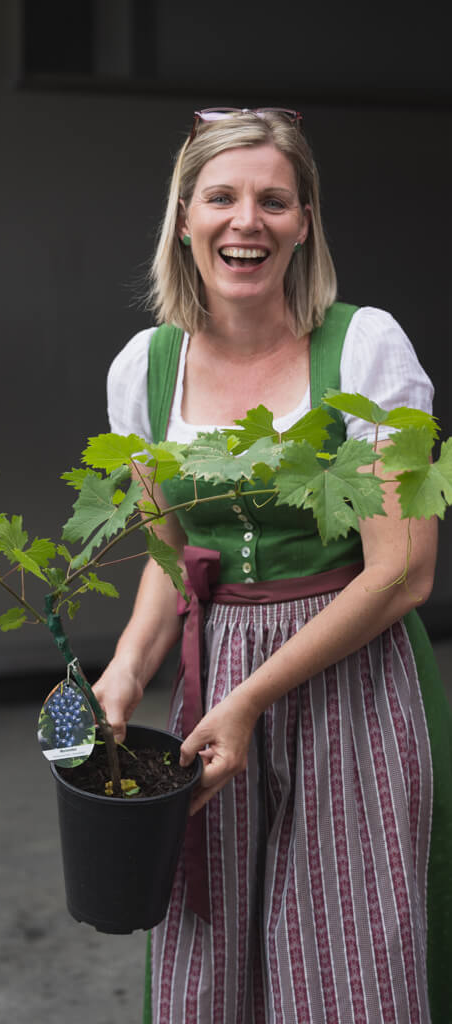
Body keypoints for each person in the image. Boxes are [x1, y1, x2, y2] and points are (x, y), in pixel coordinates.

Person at [93, 108, 452, 1024]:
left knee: (349, 958)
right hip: (211, 681)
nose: (244, 220)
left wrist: (251, 696)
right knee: (211, 959)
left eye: (273, 201)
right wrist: (127, 670)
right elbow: (167, 555)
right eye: (220, 197)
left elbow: (402, 574)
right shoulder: (144, 367)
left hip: (353, 682)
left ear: (303, 223)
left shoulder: (365, 349)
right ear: (182, 217)